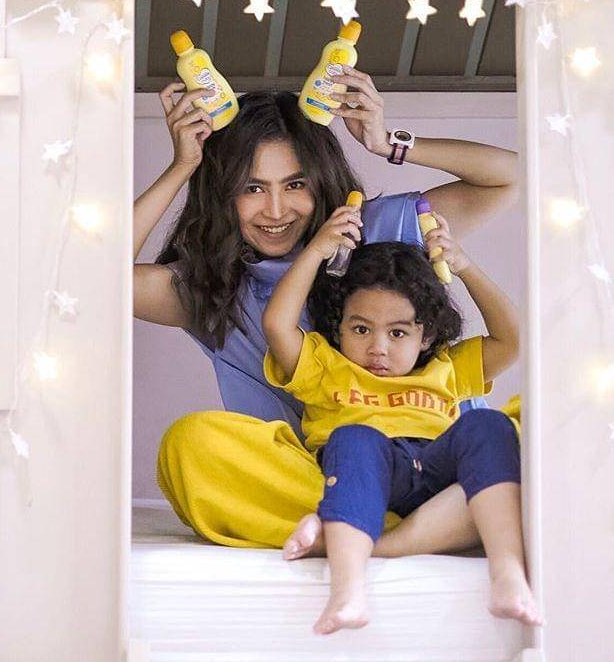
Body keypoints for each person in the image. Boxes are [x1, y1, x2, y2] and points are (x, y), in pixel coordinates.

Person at [135, 66, 520, 555]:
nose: (276, 210)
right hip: (327, 477)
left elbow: (508, 177)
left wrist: (388, 143)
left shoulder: (376, 228)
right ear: (222, 194)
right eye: (252, 188)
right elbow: (100, 280)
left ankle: (364, 530)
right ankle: (410, 528)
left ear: (321, 182)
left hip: (438, 467)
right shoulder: (212, 285)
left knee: (523, 430)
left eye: (295, 184)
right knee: (191, 445)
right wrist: (184, 166)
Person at [261, 211, 541, 634]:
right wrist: (317, 251)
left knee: (491, 425)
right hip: (365, 470)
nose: (378, 348)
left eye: (397, 333)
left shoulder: (446, 366)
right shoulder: (325, 366)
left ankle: (507, 573)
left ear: (425, 336)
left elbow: (515, 338)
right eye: (361, 329)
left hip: (437, 471)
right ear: (339, 327)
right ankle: (348, 592)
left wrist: (463, 266)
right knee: (353, 437)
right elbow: (276, 324)